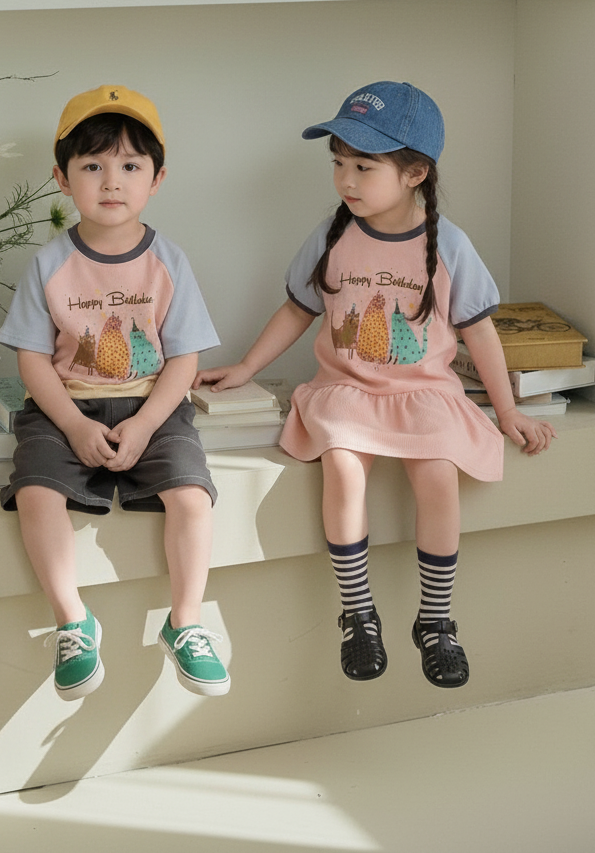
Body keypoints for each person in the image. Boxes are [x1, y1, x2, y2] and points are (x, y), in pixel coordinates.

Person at [195, 80, 555, 689]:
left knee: (438, 474)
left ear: (415, 173)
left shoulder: (450, 245)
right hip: (348, 390)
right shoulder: (331, 236)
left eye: (363, 166)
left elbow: (480, 333)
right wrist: (246, 368)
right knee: (342, 465)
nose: (346, 180)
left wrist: (508, 411)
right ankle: (358, 614)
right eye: (338, 163)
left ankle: (435, 621)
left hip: (426, 392)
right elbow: (297, 310)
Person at [0, 85, 230, 700]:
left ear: (156, 179)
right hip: (64, 408)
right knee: (36, 492)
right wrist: (74, 425)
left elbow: (183, 357)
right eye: (92, 166)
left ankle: (186, 622)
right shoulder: (49, 264)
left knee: (192, 495)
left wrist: (148, 423)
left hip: (155, 408)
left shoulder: (169, 262)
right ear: (62, 178)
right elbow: (32, 358)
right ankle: (72, 621)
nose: (111, 182)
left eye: (130, 166)